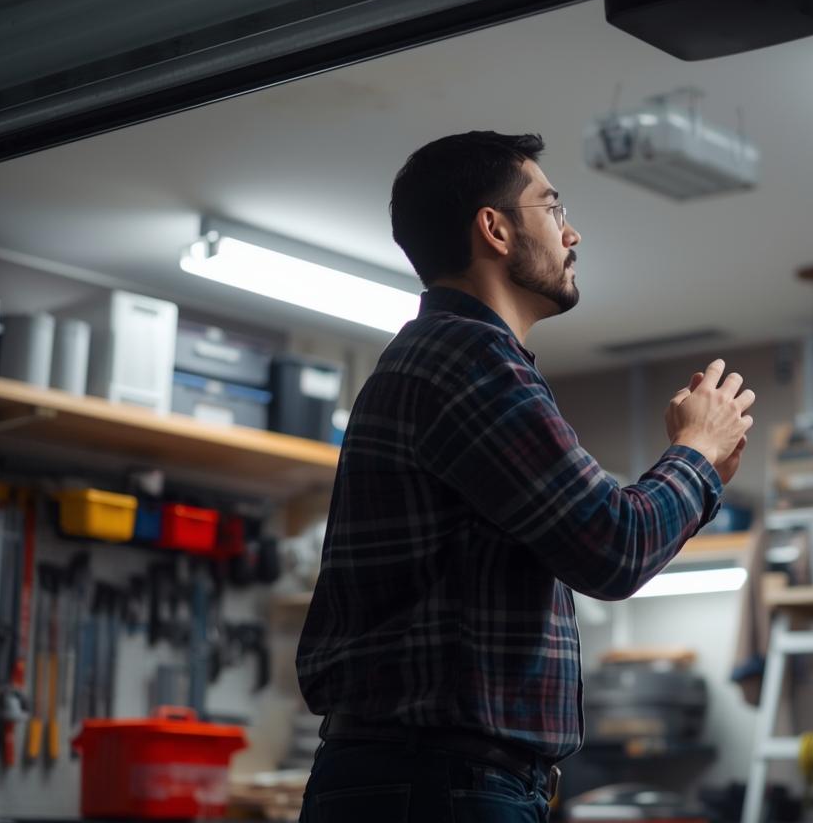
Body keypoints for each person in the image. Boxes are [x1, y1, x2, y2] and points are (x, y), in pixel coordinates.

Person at [296, 131, 754, 822]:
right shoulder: (468, 362)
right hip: (440, 781)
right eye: (552, 208)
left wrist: (701, 470)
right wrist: (694, 452)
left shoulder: (454, 360)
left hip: (434, 777)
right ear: (496, 229)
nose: (573, 234)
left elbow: (596, 535)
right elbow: (613, 546)